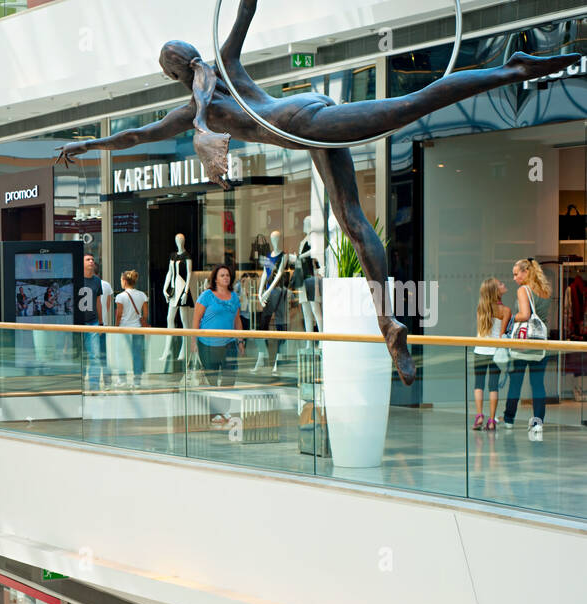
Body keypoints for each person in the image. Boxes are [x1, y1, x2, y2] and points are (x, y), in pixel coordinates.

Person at [56, 1, 580, 385]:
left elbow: (240, 15)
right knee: (352, 218)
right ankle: (387, 321)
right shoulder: (207, 92)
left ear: (172, 72)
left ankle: (511, 69)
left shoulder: (208, 91)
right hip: (303, 128)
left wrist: (95, 142)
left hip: (302, 119)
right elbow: (136, 133)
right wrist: (90, 142)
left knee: (407, 109)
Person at [501, 258, 552, 440]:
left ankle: (509, 419)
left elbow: (525, 315)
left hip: (524, 344)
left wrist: (511, 318)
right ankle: (538, 422)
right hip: (541, 344)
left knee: (516, 382)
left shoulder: (524, 290)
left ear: (526, 272)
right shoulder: (545, 291)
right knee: (537, 384)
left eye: (516, 274)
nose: (514, 278)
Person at [191, 263, 247, 425]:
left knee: (230, 377)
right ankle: (214, 413)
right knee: (212, 379)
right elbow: (196, 319)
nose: (225, 277)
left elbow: (237, 320)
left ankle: (223, 410)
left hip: (229, 343)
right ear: (215, 278)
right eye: (222, 275)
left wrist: (241, 341)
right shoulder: (207, 296)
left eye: (227, 275)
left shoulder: (234, 296)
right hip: (207, 343)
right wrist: (193, 341)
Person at [473, 278, 510, 431]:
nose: (504, 284)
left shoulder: (480, 309)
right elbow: (501, 334)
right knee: (493, 387)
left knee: (478, 385)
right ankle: (491, 420)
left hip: (479, 350)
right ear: (496, 291)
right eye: (501, 284)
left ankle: (479, 415)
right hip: (495, 352)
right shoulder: (505, 311)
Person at [113, 269, 151, 388]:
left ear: (124, 281)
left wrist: (115, 327)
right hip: (137, 329)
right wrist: (141, 319)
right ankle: (137, 381)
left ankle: (122, 379)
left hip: (124, 329)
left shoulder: (120, 297)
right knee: (137, 355)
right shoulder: (142, 295)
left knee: (121, 355)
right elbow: (145, 314)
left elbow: (119, 314)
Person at [77, 253, 109, 389]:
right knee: (79, 357)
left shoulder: (97, 281)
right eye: (88, 259)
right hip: (78, 323)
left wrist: (101, 323)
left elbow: (98, 302)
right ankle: (79, 385)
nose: (91, 261)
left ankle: (94, 385)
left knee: (95, 356)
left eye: (92, 260)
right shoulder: (76, 278)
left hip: (93, 322)